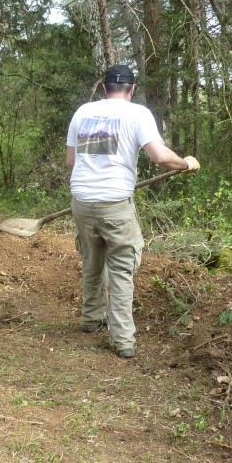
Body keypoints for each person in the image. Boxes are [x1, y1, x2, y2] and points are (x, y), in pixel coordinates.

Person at [66, 64, 200, 359]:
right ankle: (123, 339)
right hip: (115, 205)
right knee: (122, 269)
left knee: (92, 259)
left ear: (104, 89)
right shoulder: (138, 114)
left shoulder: (82, 113)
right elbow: (161, 157)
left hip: (82, 202)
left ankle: (91, 319)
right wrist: (186, 164)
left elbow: (72, 162)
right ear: (132, 89)